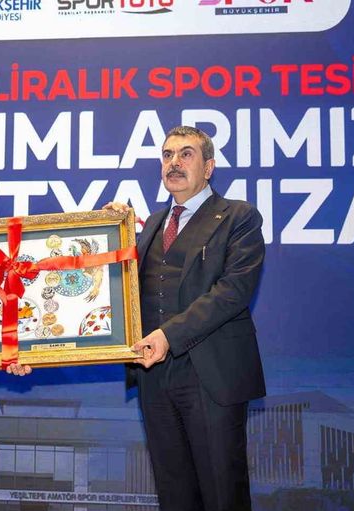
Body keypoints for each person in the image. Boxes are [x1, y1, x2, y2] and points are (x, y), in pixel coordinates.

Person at [108, 126, 266, 511]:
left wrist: (167, 336)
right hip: (154, 377)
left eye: (186, 154)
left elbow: (232, 292)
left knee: (222, 494)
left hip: (211, 375)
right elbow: (125, 291)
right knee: (174, 494)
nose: (174, 163)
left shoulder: (238, 217)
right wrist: (112, 233)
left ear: (208, 167)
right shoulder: (151, 225)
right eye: (167, 155)